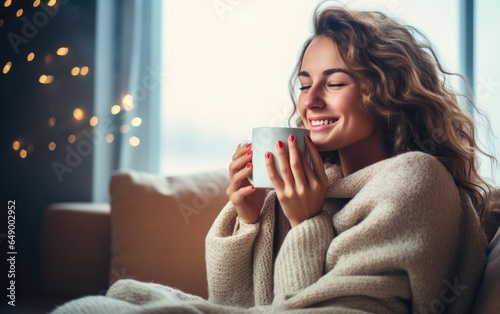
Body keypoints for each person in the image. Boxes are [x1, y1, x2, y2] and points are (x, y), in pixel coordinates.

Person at [51, 4, 498, 314]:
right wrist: (248, 221)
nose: (311, 101)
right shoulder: (317, 180)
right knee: (124, 295)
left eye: (334, 83)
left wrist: (306, 224)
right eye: (305, 84)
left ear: (384, 90)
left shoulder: (416, 178)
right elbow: (244, 302)